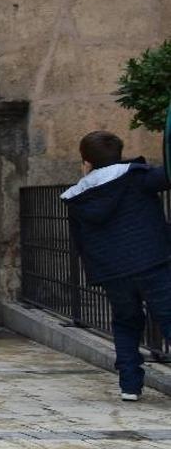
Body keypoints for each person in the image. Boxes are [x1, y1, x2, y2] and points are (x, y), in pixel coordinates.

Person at [62, 130, 171, 401]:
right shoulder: (137, 178)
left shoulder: (79, 198)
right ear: (120, 153)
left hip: (112, 271)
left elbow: (79, 240)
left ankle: (129, 385)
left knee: (125, 322)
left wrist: (95, 269)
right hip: (151, 261)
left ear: (86, 162)